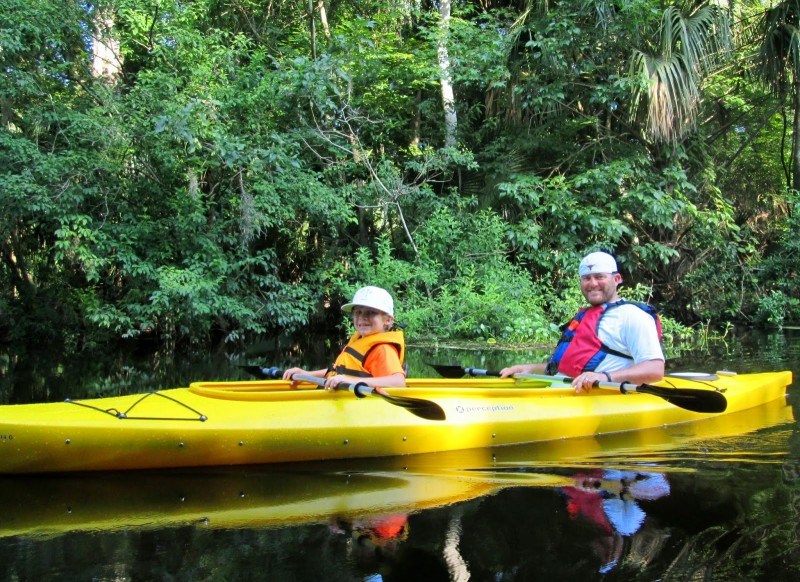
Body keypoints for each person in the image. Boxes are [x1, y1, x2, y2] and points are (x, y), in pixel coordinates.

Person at [500, 251, 665, 392]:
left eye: (599, 277)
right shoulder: (584, 316)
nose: (593, 283)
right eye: (587, 278)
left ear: (616, 279)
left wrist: (604, 377)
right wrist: (528, 369)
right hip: (563, 396)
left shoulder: (633, 316)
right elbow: (566, 369)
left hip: (602, 397)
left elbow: (655, 370)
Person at [282, 286, 406, 388]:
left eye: (371, 312)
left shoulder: (382, 349)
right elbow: (339, 372)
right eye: (358, 312)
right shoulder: (360, 340)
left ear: (388, 320)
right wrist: (306, 375)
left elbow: (398, 382)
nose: (362, 317)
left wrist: (350, 380)